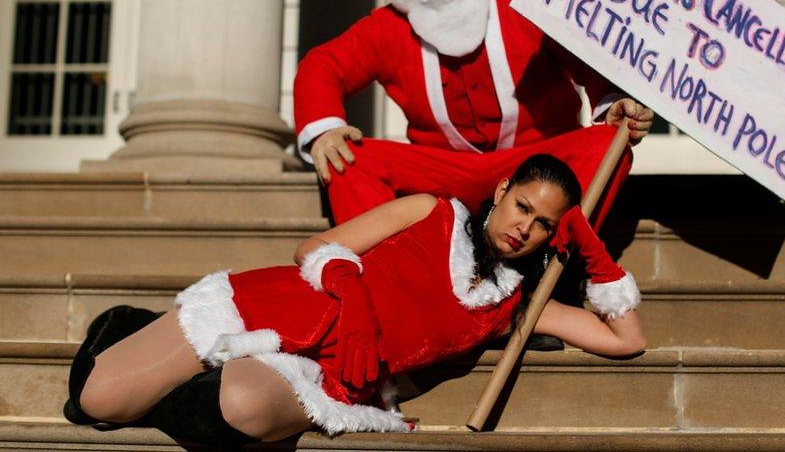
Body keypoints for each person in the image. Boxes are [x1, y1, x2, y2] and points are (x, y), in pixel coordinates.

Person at [63, 154, 645, 448]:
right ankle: (132, 329)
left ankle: (188, 377)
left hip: (330, 374)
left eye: (545, 225)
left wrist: (593, 251)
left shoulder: (516, 306)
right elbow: (315, 247)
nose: (526, 228)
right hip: (283, 309)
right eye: (523, 207)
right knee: (98, 401)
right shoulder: (431, 211)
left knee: (242, 406)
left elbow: (627, 340)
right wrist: (358, 308)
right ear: (502, 192)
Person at [294, 0, 655, 224]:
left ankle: (557, 260)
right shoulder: (390, 27)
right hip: (443, 178)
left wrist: (613, 102)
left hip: (538, 165)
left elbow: (586, 52)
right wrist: (325, 128)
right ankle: (381, 275)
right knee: (348, 159)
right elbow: (323, 65)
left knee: (608, 143)